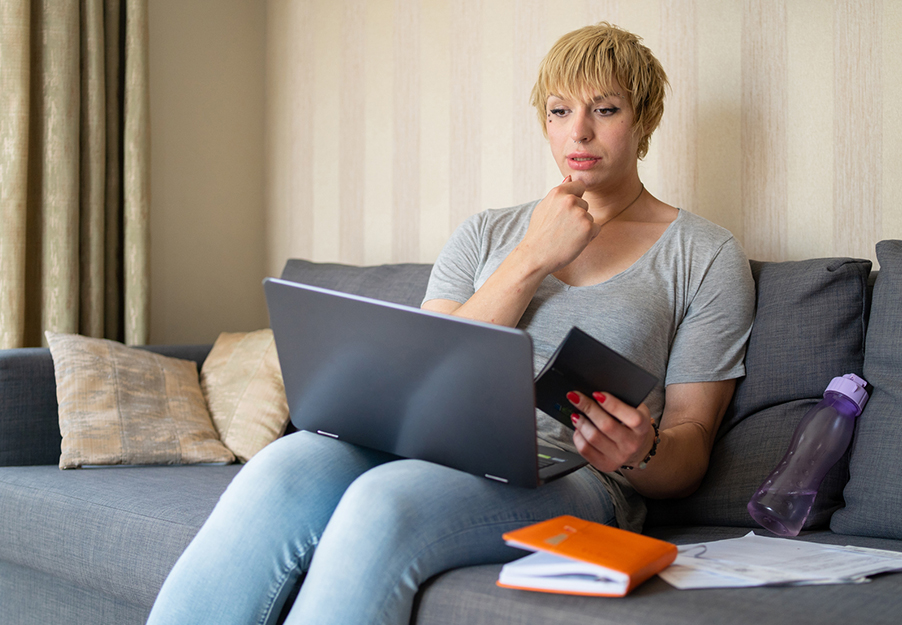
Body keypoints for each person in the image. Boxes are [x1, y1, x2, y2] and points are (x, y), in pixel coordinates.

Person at [146, 22, 754, 625]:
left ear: (645, 117)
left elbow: (692, 443)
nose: (579, 131)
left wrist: (638, 454)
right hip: (433, 448)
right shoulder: (488, 233)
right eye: (560, 110)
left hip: (575, 477)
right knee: (282, 466)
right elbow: (424, 370)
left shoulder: (703, 254)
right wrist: (532, 256)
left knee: (383, 504)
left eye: (606, 108)